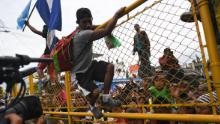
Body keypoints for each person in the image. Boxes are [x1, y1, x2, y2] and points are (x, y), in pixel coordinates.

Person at [72, 7, 125, 119]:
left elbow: (97, 27)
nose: (87, 25)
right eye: (84, 22)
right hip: (82, 73)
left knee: (110, 67)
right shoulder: (81, 35)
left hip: (90, 65)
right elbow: (107, 31)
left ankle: (106, 98)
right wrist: (116, 15)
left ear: (92, 19)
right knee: (95, 92)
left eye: (89, 21)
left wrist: (99, 25)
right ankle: (92, 106)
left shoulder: (81, 30)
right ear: (78, 23)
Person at [25, 21, 59, 87]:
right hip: (53, 58)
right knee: (51, 73)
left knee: (39, 68)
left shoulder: (47, 35)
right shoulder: (56, 39)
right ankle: (53, 84)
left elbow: (35, 31)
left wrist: (28, 25)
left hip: (46, 55)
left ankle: (44, 79)